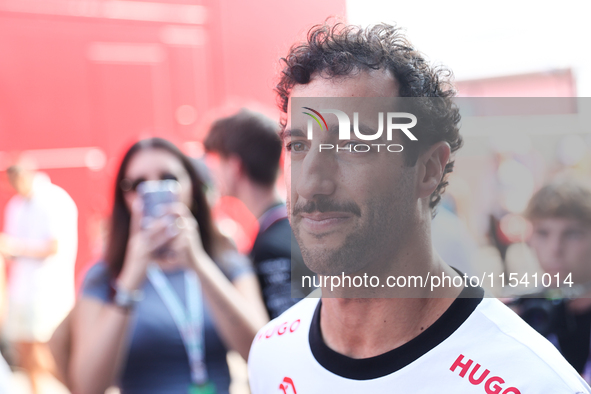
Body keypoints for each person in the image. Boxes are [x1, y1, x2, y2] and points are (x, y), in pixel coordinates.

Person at [247, 23, 591, 393]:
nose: (312, 183)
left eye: (353, 145)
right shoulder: (272, 353)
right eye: (298, 146)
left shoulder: (529, 381)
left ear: (428, 169)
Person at [70, 138, 268, 394]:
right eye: (138, 184)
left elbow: (261, 351)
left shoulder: (226, 262)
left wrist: (198, 263)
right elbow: (86, 387)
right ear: (124, 199)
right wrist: (130, 277)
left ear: (193, 189)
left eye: (168, 179)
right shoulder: (104, 276)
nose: (153, 191)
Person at [204, 109, 314, 319]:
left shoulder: (271, 247)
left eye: (216, 161)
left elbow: (286, 329)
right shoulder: (302, 225)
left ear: (234, 166)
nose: (212, 172)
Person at [0, 163, 77, 394]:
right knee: (25, 351)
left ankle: (77, 386)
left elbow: (54, 246)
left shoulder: (54, 200)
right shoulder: (16, 205)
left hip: (46, 289)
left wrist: (18, 248)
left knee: (45, 351)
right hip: (22, 288)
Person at [523, 177, 591, 381]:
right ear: (530, 240)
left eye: (572, 234)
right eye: (543, 233)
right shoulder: (520, 315)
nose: (555, 249)